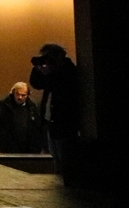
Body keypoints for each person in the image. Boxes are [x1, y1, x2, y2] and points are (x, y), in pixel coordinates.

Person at [29, 43, 80, 180]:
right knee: (55, 156)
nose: (47, 62)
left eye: (48, 58)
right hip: (51, 121)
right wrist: (38, 67)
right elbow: (36, 83)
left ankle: (68, 184)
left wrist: (47, 70)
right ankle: (61, 180)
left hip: (64, 121)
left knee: (65, 157)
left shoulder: (67, 70)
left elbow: (56, 82)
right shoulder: (54, 72)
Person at [0, 81, 43, 153]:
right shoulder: (2, 106)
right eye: (17, 94)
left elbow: (37, 126)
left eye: (23, 95)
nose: (19, 97)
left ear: (28, 95)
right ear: (13, 93)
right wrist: (2, 136)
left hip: (27, 147)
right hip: (7, 146)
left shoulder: (32, 107)